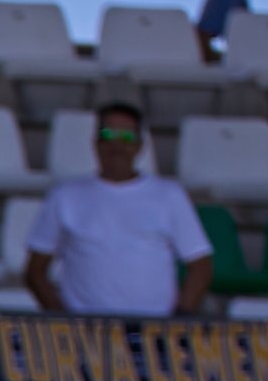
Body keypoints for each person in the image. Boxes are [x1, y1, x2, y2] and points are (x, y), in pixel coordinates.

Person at [24, 106, 216, 318]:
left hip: (151, 334)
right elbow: (35, 271)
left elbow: (200, 265)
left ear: (140, 145)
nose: (117, 145)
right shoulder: (65, 196)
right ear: (95, 142)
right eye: (108, 134)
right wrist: (63, 322)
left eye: (126, 136)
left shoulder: (169, 195)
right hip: (86, 335)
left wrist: (179, 320)